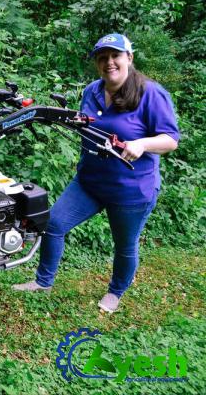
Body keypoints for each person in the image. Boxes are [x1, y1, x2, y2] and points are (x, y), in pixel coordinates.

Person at [12, 33, 180, 313]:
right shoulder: (92, 90)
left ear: (129, 58)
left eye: (115, 56)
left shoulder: (151, 94)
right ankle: (43, 282)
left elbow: (170, 140)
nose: (109, 62)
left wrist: (142, 144)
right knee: (54, 224)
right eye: (102, 58)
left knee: (124, 245)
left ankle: (115, 292)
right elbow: (88, 126)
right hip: (89, 183)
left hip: (130, 190)